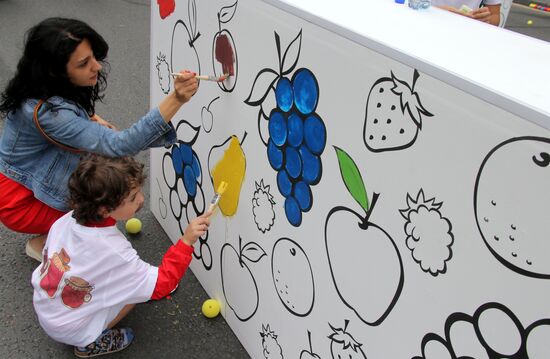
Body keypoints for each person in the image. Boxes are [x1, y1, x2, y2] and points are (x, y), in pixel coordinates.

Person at [0, 17, 198, 261]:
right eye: (84, 63)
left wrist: (89, 118)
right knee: (106, 200)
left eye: (93, 56)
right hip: (19, 202)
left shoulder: (40, 86)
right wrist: (176, 99)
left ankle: (66, 235)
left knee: (104, 172)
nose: (97, 67)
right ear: (55, 71)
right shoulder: (48, 112)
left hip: (29, 183)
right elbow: (120, 145)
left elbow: (71, 118)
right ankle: (47, 244)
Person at [31, 154, 212, 357]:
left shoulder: (66, 221)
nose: (142, 199)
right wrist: (186, 241)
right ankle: (89, 343)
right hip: (73, 328)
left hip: (47, 307)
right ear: (104, 209)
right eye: (133, 198)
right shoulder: (113, 251)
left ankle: (133, 289)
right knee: (133, 295)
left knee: (129, 284)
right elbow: (163, 284)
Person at [432, 0, 501, 26]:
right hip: (431, 23)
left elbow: (495, 15)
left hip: (467, 31)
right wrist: (439, 11)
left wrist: (486, 19)